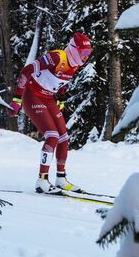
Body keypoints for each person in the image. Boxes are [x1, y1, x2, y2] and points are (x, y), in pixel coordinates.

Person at [8, 32, 92, 194]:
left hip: (48, 98)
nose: (85, 57)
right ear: (74, 50)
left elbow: (61, 81)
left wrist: (61, 99)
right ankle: (42, 180)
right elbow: (26, 71)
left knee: (64, 137)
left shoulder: (74, 64)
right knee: (52, 135)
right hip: (32, 96)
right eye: (83, 53)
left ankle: (60, 178)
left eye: (88, 54)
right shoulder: (56, 57)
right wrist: (17, 99)